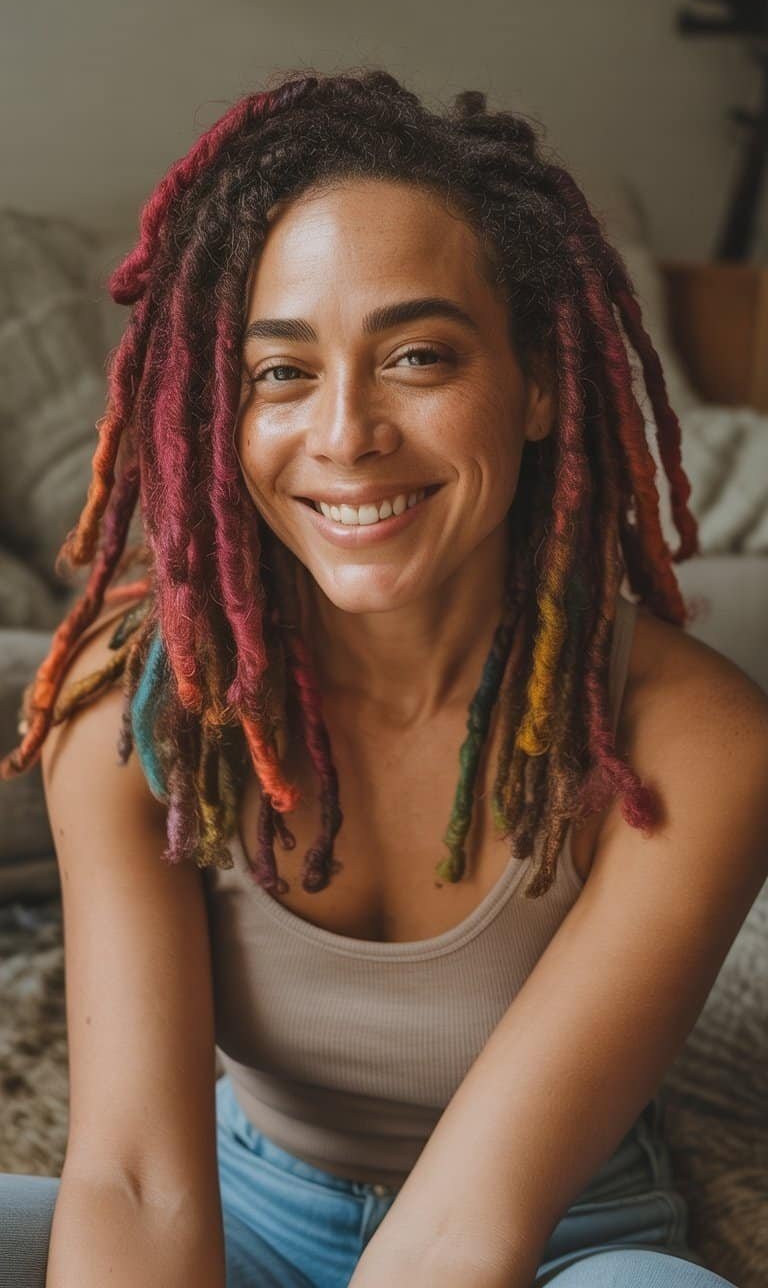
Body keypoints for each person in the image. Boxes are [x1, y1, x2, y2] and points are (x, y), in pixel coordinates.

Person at [1, 68, 766, 1288]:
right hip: (239, 1218)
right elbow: (136, 1181)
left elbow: (467, 1232)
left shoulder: (699, 745)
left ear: (539, 383)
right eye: (282, 372)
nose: (346, 433)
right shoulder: (140, 708)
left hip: (547, 1243)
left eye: (417, 356)